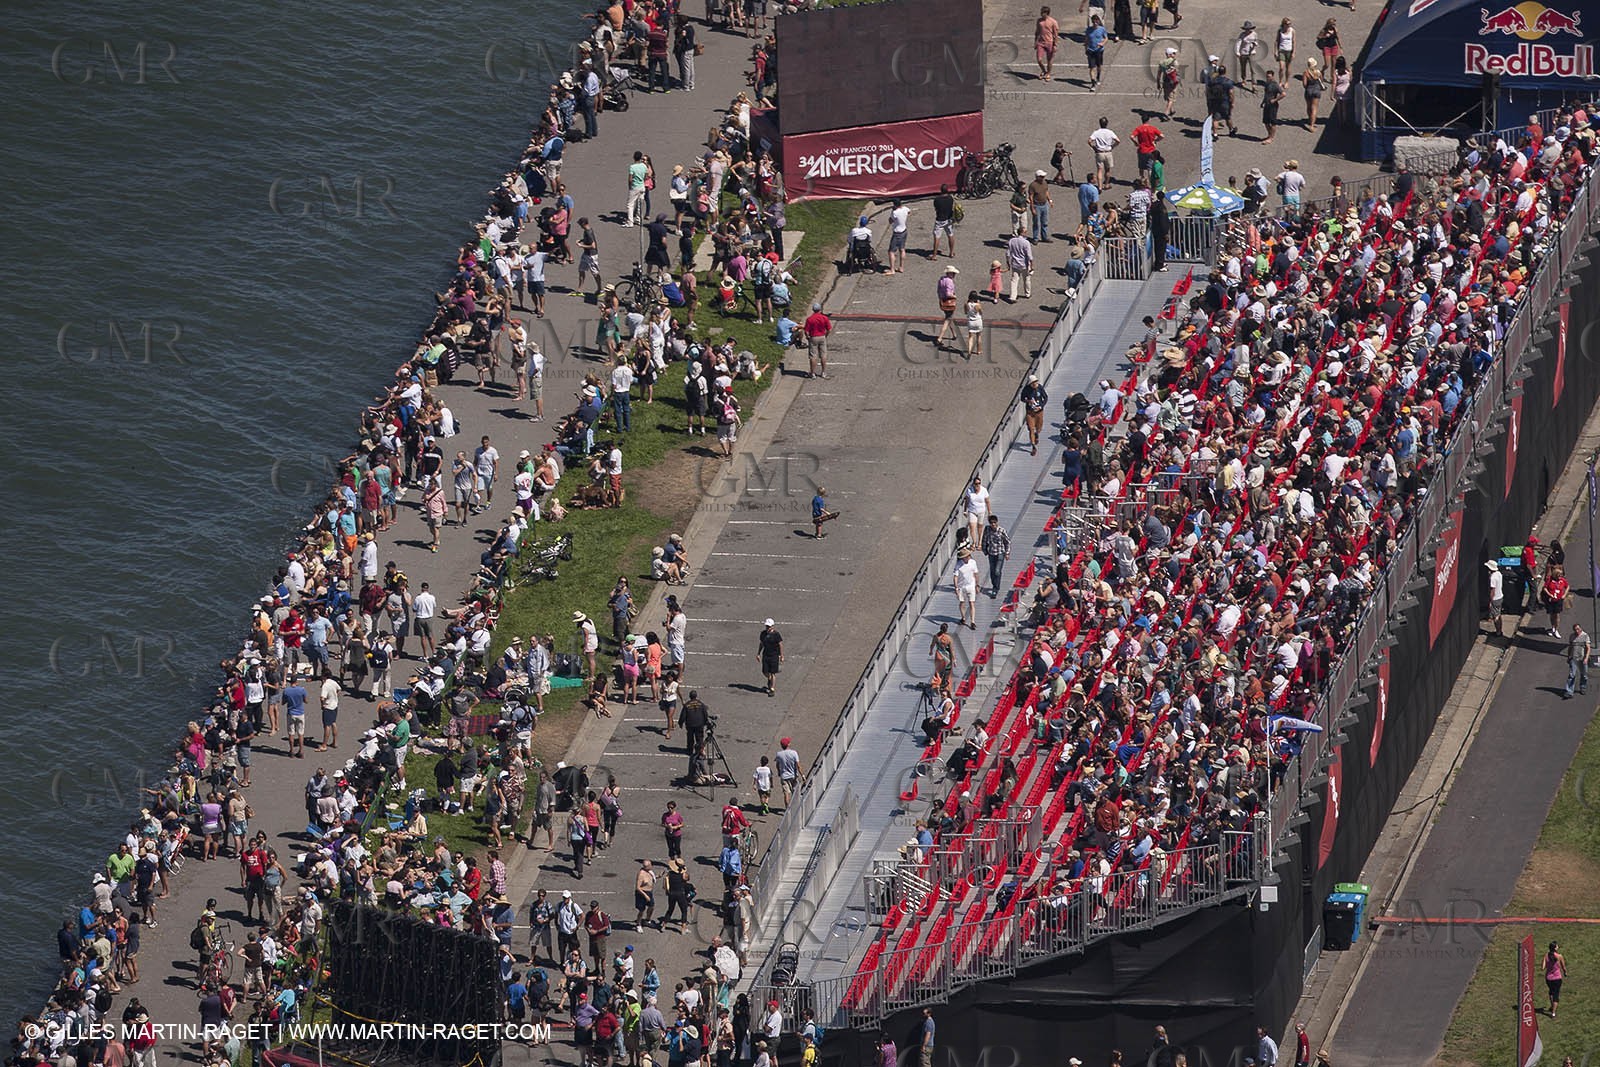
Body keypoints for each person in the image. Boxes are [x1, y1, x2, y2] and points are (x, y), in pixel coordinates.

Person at [981, 515, 1011, 597]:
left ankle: (996, 588)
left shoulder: (1001, 531)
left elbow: (1007, 542)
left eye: (994, 523)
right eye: (991, 523)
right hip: (991, 553)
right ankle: (994, 584)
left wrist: (1007, 553)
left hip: (1000, 553)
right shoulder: (987, 529)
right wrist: (984, 550)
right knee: (992, 571)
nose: (993, 524)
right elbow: (984, 539)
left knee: (997, 571)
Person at [954, 548, 981, 630]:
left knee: (971, 603)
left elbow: (976, 574)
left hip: (971, 585)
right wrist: (956, 588)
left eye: (969, 555)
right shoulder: (958, 565)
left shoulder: (973, 563)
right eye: (967, 556)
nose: (969, 557)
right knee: (962, 603)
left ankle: (972, 621)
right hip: (961, 587)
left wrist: (977, 585)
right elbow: (955, 577)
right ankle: (963, 618)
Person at [1021, 373, 1048, 455]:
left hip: (1039, 411)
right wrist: (1028, 401)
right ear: (1031, 384)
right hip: (1030, 412)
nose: (1036, 384)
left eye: (1036, 382)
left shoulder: (1040, 387)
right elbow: (1022, 398)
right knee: (1031, 428)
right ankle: (1033, 446)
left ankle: (1037, 434)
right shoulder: (1026, 389)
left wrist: (1041, 406)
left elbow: (1045, 397)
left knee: (1039, 427)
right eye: (1034, 383)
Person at [803, 302, 831, 379]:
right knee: (823, 355)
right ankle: (823, 372)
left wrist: (807, 337)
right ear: (820, 309)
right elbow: (829, 329)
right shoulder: (824, 318)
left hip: (813, 337)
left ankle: (812, 373)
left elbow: (806, 331)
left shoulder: (809, 319)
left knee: (813, 356)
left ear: (813, 310)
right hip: (822, 336)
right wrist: (825, 336)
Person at [935, 266, 960, 349]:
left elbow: (938, 290)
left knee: (949, 318)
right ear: (950, 273)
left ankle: (954, 334)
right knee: (947, 319)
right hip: (949, 302)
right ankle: (940, 338)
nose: (954, 275)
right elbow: (948, 293)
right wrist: (954, 296)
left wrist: (940, 299)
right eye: (953, 273)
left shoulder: (942, 279)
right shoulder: (949, 282)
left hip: (943, 301)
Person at [757, 619, 784, 696]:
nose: (767, 628)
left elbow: (780, 645)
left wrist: (781, 655)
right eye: (766, 626)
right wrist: (758, 653)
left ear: (772, 626)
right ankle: (769, 679)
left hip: (774, 656)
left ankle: (772, 688)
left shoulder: (776, 635)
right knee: (765, 672)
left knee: (773, 673)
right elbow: (761, 644)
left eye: (769, 626)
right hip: (766, 655)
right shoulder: (763, 634)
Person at [1035, 5, 1061, 80]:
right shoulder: (1039, 21)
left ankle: (1048, 73)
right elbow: (1037, 32)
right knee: (1039, 60)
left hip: (1049, 42)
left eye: (1043, 13)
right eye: (1041, 12)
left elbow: (1056, 34)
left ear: (1047, 13)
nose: (1042, 14)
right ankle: (1044, 71)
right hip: (1041, 42)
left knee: (1049, 60)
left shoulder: (1053, 22)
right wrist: (1035, 42)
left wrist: (1055, 45)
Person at [1565, 625, 1591, 699]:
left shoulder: (1585, 636)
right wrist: (1568, 657)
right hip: (1574, 658)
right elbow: (1570, 647)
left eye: (1578, 629)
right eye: (1575, 630)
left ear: (1580, 628)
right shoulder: (1572, 636)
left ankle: (1583, 687)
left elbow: (1588, 648)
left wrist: (1586, 658)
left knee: (1584, 675)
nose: (1577, 631)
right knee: (1571, 675)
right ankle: (1569, 691)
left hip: (1582, 659)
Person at [931, 184, 957, 258]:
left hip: (940, 219)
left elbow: (936, 208)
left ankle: (934, 255)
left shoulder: (937, 199)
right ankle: (951, 253)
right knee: (950, 235)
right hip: (949, 219)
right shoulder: (950, 198)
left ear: (941, 190)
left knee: (937, 237)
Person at [1083, 14, 1107, 91]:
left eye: (1096, 21)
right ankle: (1093, 84)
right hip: (1090, 50)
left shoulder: (1102, 29)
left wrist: (1102, 43)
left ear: (1098, 21)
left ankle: (1098, 77)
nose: (1095, 23)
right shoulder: (1088, 30)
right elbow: (1086, 40)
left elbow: (1106, 38)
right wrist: (1086, 49)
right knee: (1091, 67)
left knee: (1099, 66)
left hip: (1099, 51)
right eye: (1093, 22)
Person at [1546, 941, 1569, 1017]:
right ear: (1555, 948)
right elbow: (1563, 966)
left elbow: (1544, 966)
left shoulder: (1547, 955)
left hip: (1548, 978)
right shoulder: (1559, 956)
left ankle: (1552, 1006)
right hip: (1557, 978)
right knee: (1556, 995)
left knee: (1551, 993)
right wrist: (1565, 972)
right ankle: (1553, 1012)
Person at [887, 198, 910, 272]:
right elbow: (909, 212)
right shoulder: (905, 209)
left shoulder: (895, 213)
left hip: (897, 233)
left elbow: (890, 221)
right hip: (904, 231)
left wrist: (892, 211)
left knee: (891, 251)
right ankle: (901, 267)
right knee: (902, 249)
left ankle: (892, 269)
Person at [1302, 58, 1324, 131]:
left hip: (1309, 90)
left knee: (1309, 106)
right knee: (1314, 108)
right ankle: (1312, 125)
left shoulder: (1306, 73)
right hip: (1317, 90)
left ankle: (1309, 119)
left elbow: (1304, 84)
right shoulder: (1318, 72)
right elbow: (1321, 80)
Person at [1261, 73, 1284, 143]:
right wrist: (1263, 102)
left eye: (1269, 77)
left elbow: (1283, 94)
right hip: (1267, 104)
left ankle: (1271, 137)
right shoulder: (1267, 84)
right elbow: (1266, 94)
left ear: (1273, 77)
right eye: (1267, 76)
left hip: (1273, 106)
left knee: (1273, 122)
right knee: (1265, 121)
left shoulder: (1275, 85)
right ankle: (1269, 135)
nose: (1268, 78)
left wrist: (1275, 100)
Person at [1235, 20, 1259, 87]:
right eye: (1246, 29)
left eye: (1249, 29)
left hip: (1251, 53)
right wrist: (1237, 52)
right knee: (1243, 67)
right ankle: (1243, 79)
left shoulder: (1254, 34)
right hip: (1243, 53)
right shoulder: (1242, 35)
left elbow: (1256, 42)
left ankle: (1254, 83)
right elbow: (1238, 43)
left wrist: (1255, 44)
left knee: (1253, 69)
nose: (1248, 30)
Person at [1485, 560, 1505, 637]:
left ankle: (1498, 632)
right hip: (1500, 596)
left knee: (1496, 617)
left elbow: (1492, 591)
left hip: (1495, 599)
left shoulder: (1493, 578)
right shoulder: (1499, 574)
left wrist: (1491, 601)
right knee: (1499, 614)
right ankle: (1500, 630)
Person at [1275, 18, 1295, 82]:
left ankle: (1287, 81)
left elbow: (1294, 41)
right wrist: (1276, 51)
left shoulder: (1292, 31)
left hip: (1289, 50)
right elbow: (1276, 41)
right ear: (1283, 24)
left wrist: (1293, 52)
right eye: (1287, 24)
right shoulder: (1280, 31)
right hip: (1282, 50)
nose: (1289, 25)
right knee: (1281, 67)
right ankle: (1280, 81)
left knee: (1288, 67)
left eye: (1290, 24)